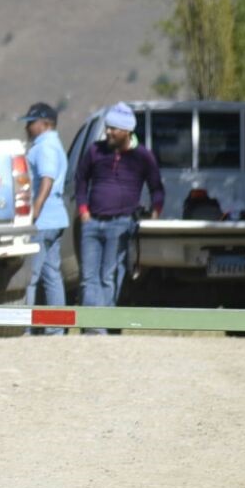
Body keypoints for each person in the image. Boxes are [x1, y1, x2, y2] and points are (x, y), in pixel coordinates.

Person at [75, 102, 164, 334]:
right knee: (88, 278)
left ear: (126, 131)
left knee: (109, 276)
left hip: (122, 225)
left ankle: (101, 327)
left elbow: (157, 187)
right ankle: (92, 329)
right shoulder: (95, 151)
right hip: (91, 223)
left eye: (113, 128)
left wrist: (155, 213)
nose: (108, 132)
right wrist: (83, 210)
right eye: (108, 127)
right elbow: (81, 180)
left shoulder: (143, 156)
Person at [20, 102, 68, 336]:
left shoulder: (46, 146)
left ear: (45, 124)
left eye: (31, 123)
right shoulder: (53, 144)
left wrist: (36, 209)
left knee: (30, 276)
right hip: (56, 219)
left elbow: (46, 179)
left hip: (43, 220)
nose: (28, 127)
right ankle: (56, 328)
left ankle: (24, 328)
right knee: (52, 275)